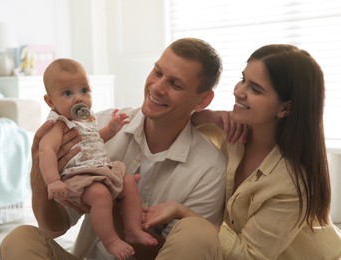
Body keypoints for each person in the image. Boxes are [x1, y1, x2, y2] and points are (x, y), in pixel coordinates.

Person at [0, 37, 228, 259]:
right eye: (157, 72)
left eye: (175, 84)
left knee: (197, 235)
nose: (157, 87)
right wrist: (39, 166)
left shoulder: (209, 169)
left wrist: (116, 206)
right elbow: (54, 227)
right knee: (21, 239)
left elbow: (180, 253)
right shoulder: (94, 127)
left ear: (202, 101)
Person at [142, 44, 341, 259]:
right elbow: (176, 116)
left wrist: (182, 212)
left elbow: (249, 256)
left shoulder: (291, 182)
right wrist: (208, 116)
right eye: (242, 79)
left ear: (285, 108)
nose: (238, 91)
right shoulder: (233, 135)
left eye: (255, 89)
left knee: (193, 232)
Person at [38, 58, 158, 259]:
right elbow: (46, 151)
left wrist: (111, 129)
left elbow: (94, 140)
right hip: (79, 177)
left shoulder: (86, 119)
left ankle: (132, 228)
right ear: (50, 101)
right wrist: (53, 181)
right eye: (68, 93)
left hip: (101, 169)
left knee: (128, 180)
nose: (79, 98)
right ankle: (111, 240)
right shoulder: (59, 125)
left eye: (84, 90)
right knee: (100, 195)